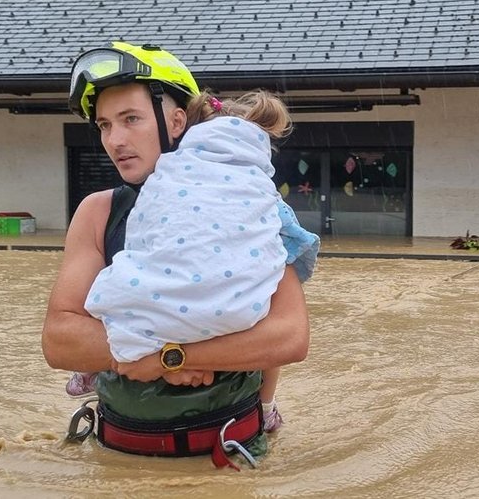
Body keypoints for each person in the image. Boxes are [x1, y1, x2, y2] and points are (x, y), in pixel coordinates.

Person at [42, 42, 310, 464]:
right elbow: (59, 341)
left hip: (230, 457)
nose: (116, 140)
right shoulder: (98, 212)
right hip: (118, 455)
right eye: (105, 125)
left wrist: (172, 355)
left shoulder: (249, 203)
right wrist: (169, 358)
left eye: (131, 119)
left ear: (177, 120)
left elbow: (290, 336)